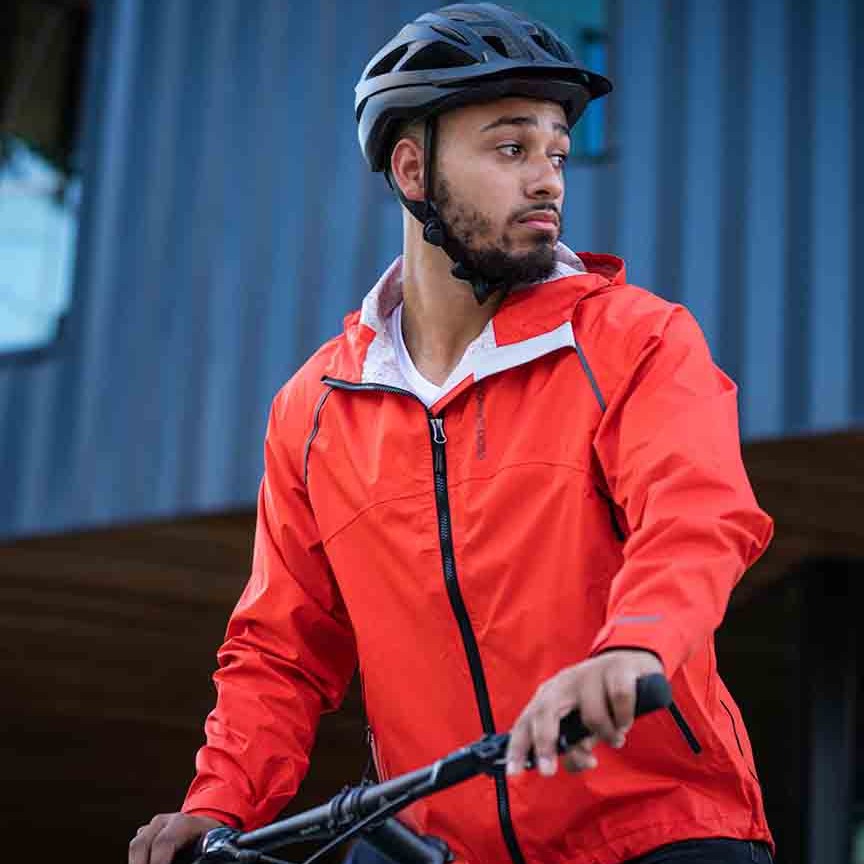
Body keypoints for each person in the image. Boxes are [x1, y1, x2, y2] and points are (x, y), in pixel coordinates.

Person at [129, 4, 775, 864]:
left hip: (659, 832)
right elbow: (280, 648)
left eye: (555, 153)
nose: (548, 179)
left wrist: (633, 647)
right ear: (412, 170)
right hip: (433, 845)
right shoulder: (314, 409)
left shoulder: (635, 339)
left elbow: (697, 519)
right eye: (511, 150)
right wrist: (219, 805)